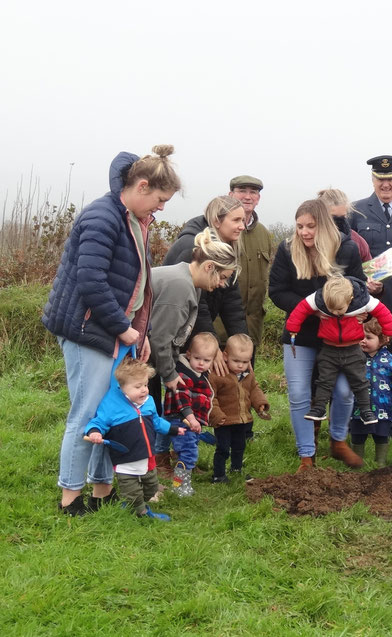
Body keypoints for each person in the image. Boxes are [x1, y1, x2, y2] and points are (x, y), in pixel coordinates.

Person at [42, 144, 181, 516]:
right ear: (141, 185)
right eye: (160, 199)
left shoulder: (136, 219)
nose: (162, 207)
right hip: (88, 329)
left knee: (113, 407)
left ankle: (102, 488)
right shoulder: (102, 217)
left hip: (116, 331)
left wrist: (141, 330)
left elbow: (136, 285)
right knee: (87, 413)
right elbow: (92, 281)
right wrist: (123, 328)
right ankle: (70, 497)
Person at [269, 199, 366, 471]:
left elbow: (358, 288)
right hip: (300, 333)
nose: (304, 232)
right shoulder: (287, 249)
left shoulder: (346, 248)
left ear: (323, 225)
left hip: (338, 336)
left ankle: (338, 442)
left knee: (345, 392)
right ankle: (306, 456)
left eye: (311, 226)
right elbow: (276, 291)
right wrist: (312, 309)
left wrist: (357, 308)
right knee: (299, 393)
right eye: (299, 226)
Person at [147, 230, 237, 425]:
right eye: (222, 277)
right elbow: (159, 339)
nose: (222, 284)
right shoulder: (180, 286)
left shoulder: (189, 280)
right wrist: (170, 375)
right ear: (209, 266)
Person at [84, 356, 186, 521]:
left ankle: (136, 506)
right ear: (121, 387)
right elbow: (98, 422)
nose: (144, 390)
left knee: (151, 487)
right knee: (132, 492)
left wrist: (173, 430)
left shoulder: (148, 402)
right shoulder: (111, 406)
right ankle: (141, 514)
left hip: (147, 457)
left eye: (145, 385)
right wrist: (94, 432)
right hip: (126, 461)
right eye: (138, 386)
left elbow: (156, 422)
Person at [285, 275, 392, 425]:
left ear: (350, 299)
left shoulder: (363, 300)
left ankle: (366, 411)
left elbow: (383, 313)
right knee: (324, 381)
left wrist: (389, 331)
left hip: (353, 350)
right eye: (331, 309)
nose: (336, 313)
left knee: (360, 381)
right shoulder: (318, 298)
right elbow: (301, 310)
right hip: (328, 349)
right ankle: (319, 408)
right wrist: (293, 328)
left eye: (339, 309)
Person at [163, 195, 249, 375]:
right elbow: (195, 302)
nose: (242, 226)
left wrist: (243, 346)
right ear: (217, 221)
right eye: (236, 220)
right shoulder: (194, 248)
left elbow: (232, 303)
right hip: (178, 333)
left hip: (196, 331)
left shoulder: (224, 247)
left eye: (243, 220)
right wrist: (211, 345)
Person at [351, 155, 392, 364]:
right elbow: (349, 255)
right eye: (381, 179)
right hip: (367, 302)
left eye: (391, 178)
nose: (386, 184)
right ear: (373, 179)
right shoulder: (356, 210)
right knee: (361, 364)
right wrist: (362, 284)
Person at [350, 317, 392, 466]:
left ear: (382, 340)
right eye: (360, 337)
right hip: (358, 408)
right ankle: (355, 464)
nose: (363, 341)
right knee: (357, 435)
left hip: (383, 408)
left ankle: (380, 464)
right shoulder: (354, 358)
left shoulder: (389, 361)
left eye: (368, 337)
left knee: (381, 436)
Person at [208, 334, 271, 483]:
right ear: (225, 356)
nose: (240, 365)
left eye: (245, 361)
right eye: (236, 361)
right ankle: (218, 475)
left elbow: (254, 389)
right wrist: (216, 415)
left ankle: (236, 469)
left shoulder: (247, 374)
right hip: (224, 420)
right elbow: (211, 397)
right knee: (223, 448)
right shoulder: (218, 375)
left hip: (242, 418)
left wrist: (260, 404)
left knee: (239, 446)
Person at [162, 332, 219, 496]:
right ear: (188, 354)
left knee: (189, 452)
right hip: (182, 421)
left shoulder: (200, 374)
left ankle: (182, 484)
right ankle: (179, 486)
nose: (201, 363)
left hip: (191, 421)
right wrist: (192, 419)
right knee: (188, 453)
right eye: (197, 358)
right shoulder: (183, 374)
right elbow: (182, 399)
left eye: (206, 360)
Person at [227, 175, 273, 352]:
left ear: (258, 198)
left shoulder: (263, 234)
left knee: (247, 380)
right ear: (231, 194)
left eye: (253, 192)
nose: (247, 196)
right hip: (220, 331)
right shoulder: (214, 230)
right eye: (241, 191)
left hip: (250, 331)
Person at [318, 188, 371, 262]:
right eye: (333, 217)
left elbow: (369, 270)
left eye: (342, 217)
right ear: (321, 214)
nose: (338, 221)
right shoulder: (309, 238)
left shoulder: (358, 241)